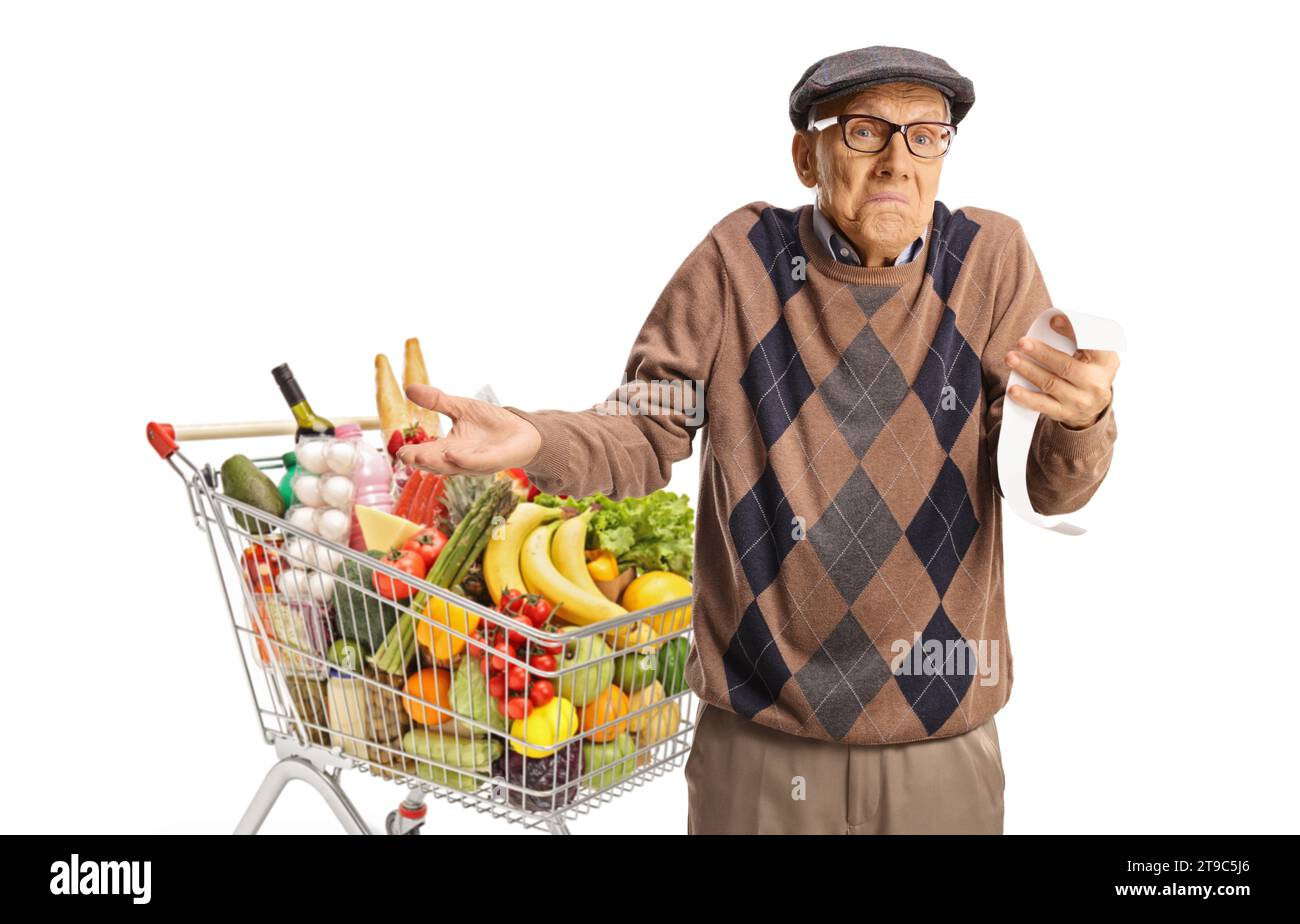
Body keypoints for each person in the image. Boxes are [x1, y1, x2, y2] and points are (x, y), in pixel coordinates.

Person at [397, 45, 1120, 834]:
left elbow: (1046, 485)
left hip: (940, 745)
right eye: (864, 132)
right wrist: (536, 435)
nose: (896, 162)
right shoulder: (739, 262)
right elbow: (645, 426)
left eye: (925, 135)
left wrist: (1080, 421)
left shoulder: (989, 261)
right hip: (761, 744)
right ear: (806, 154)